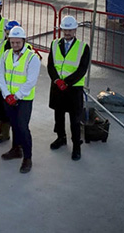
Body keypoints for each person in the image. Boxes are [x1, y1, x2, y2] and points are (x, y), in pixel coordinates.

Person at [0, 26, 40, 174]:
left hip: (24, 99)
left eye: (17, 42)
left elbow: (31, 81)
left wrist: (16, 96)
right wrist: (6, 94)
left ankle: (27, 158)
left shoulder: (32, 58)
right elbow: (0, 75)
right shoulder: (6, 55)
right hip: (8, 98)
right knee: (14, 124)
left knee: (23, 127)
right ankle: (16, 149)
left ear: (23, 41)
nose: (15, 45)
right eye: (12, 42)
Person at [48, 15, 90, 161]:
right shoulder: (54, 44)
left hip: (73, 90)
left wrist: (67, 82)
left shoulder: (83, 47)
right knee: (58, 116)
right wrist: (57, 80)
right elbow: (50, 65)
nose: (67, 33)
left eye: (70, 30)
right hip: (58, 88)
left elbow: (82, 69)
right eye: (65, 29)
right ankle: (61, 138)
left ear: (75, 30)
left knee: (75, 120)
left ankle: (76, 147)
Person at [0, 20, 21, 145]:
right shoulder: (1, 46)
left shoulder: (26, 49)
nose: (11, 38)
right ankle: (4, 133)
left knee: (18, 115)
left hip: (17, 89)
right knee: (3, 109)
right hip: (3, 86)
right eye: (9, 34)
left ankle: (18, 141)